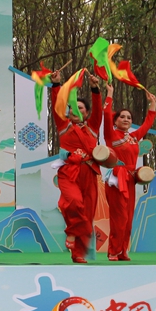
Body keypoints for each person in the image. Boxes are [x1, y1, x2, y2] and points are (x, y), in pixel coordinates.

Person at [50, 69, 103, 264]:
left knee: (87, 214)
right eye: (73, 108)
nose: (76, 110)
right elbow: (58, 105)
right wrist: (56, 85)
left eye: (81, 108)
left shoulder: (93, 128)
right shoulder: (64, 126)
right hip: (69, 173)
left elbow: (99, 110)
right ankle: (72, 232)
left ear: (87, 113)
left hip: (89, 173)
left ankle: (78, 254)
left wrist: (95, 89)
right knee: (73, 203)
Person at [103, 83, 156, 261]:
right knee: (119, 217)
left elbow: (147, 124)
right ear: (115, 120)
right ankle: (113, 251)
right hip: (117, 179)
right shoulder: (111, 135)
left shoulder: (133, 137)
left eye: (129, 117)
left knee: (128, 218)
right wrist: (110, 93)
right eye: (122, 117)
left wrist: (152, 104)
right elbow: (106, 114)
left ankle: (122, 251)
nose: (126, 119)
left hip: (131, 180)